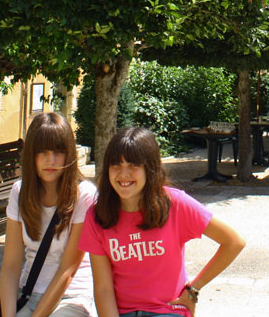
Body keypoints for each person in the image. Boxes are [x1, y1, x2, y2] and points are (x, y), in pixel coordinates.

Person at [80, 126, 246, 317]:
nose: (123, 174)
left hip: (168, 311)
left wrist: (193, 289)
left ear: (149, 168)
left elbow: (233, 242)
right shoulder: (97, 215)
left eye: (133, 165)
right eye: (116, 165)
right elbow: (103, 289)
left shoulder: (175, 204)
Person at [0, 112, 97, 317]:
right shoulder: (20, 192)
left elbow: (67, 270)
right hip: (30, 292)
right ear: (31, 155)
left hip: (74, 296)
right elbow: (10, 265)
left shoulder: (84, 195)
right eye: (42, 151)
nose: (51, 160)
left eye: (59, 151)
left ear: (69, 154)